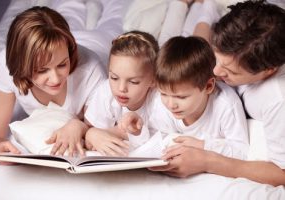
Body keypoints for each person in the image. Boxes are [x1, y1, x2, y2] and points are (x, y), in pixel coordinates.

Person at [153, 0, 285, 186]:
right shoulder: (236, 40)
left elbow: (282, 173)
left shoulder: (277, 99)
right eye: (217, 57)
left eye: (231, 71)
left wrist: (207, 161)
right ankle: (206, 9)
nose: (215, 72)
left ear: (268, 70)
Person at [0, 6, 108, 157]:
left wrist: (80, 125)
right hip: (55, 48)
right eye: (42, 70)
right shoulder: (6, 65)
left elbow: (99, 129)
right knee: (73, 11)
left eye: (62, 65)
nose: (56, 79)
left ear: (69, 53)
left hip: (101, 43)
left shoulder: (92, 70)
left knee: (112, 19)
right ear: (21, 66)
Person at [121, 36, 249, 163]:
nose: (171, 105)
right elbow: (154, 141)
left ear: (209, 86)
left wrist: (202, 145)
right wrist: (138, 131)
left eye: (181, 97)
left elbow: (241, 152)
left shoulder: (226, 105)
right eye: (163, 94)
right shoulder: (161, 103)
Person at [84, 30, 159, 156]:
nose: (121, 88)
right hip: (93, 38)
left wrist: (115, 132)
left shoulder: (159, 100)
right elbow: (90, 129)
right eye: (114, 77)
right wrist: (92, 134)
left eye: (134, 81)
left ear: (153, 80)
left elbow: (161, 139)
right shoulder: (105, 91)